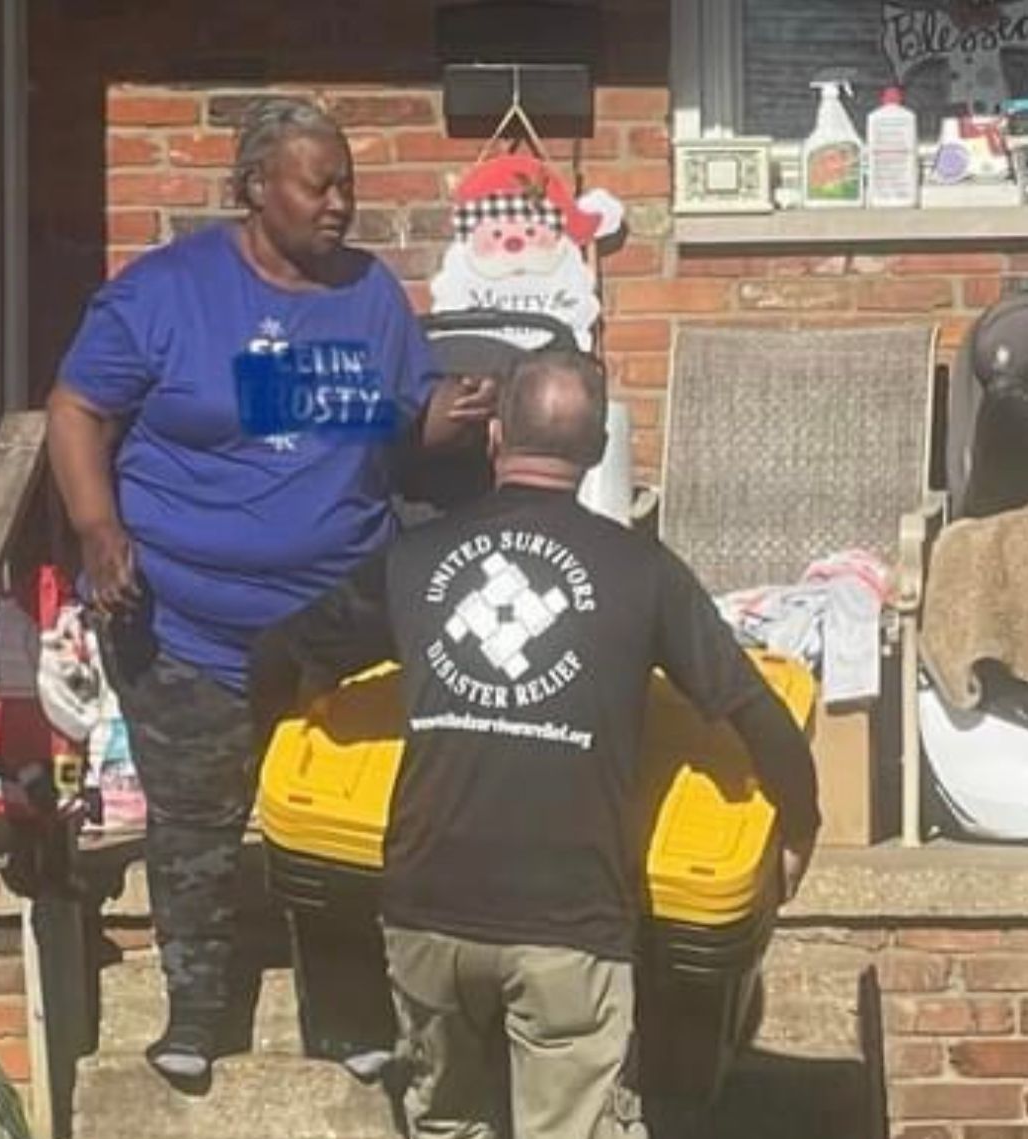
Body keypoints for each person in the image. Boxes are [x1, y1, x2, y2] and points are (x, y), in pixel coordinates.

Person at [250, 349, 822, 1139]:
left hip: (428, 908)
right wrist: (799, 827)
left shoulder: (414, 559)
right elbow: (758, 714)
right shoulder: (642, 571)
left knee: (445, 1124)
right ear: (593, 456)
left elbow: (279, 654)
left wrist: (274, 746)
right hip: (569, 922)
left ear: (493, 438)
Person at [46, 94, 493, 1091]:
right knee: (199, 820)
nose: (340, 204)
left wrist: (446, 420)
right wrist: (98, 527)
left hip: (336, 624)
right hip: (188, 620)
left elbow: (390, 424)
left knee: (336, 819)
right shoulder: (166, 294)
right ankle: (198, 1010)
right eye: (318, 184)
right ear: (255, 188)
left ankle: (346, 1016)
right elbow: (76, 406)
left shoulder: (371, 294)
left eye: (348, 185)